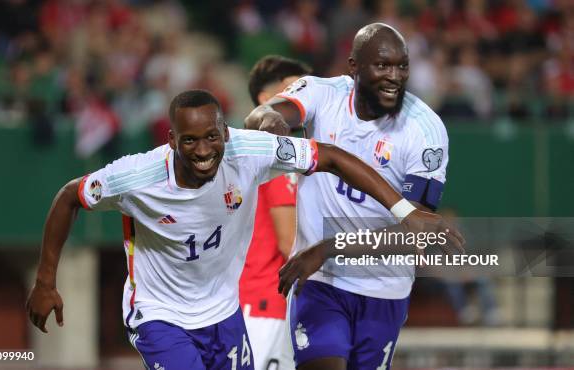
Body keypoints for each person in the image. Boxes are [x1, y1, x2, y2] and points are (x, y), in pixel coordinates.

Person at [26, 89, 447, 370]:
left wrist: (402, 208)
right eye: (190, 141)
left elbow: (332, 157)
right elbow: (68, 197)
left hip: (224, 313)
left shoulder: (251, 151)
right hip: (159, 315)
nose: (204, 151)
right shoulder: (135, 177)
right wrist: (46, 281)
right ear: (171, 140)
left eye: (212, 137)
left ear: (225, 131)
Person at [245, 23, 462, 370]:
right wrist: (270, 121)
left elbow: (415, 230)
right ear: (353, 66)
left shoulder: (425, 129)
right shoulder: (323, 93)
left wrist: (329, 248)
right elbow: (262, 113)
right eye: (382, 65)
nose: (394, 76)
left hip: (383, 287)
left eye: (402, 66)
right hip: (320, 282)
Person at [241, 55, 311, 370]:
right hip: (265, 301)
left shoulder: (251, 150)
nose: (304, 99)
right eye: (294, 89)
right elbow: (290, 242)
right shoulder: (274, 156)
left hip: (253, 298)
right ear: (266, 101)